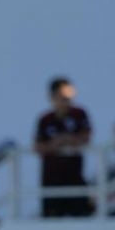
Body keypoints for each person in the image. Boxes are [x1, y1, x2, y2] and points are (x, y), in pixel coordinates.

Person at [34, 77, 93, 218]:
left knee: (82, 218)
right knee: (52, 221)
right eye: (63, 97)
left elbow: (86, 137)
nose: (68, 101)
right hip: (52, 180)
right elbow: (37, 146)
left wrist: (69, 139)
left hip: (74, 177)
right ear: (52, 97)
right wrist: (53, 144)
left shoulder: (79, 114)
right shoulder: (45, 119)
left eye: (70, 97)